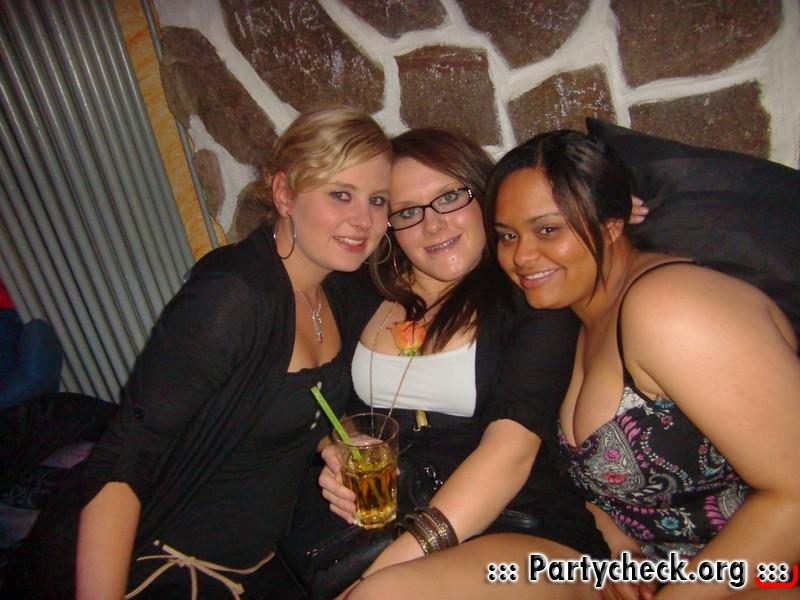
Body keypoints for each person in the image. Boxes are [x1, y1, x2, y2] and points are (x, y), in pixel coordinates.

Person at [3, 104, 392, 599]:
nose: (363, 220)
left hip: (261, 563)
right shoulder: (231, 298)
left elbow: (308, 401)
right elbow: (122, 459)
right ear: (284, 194)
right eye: (341, 194)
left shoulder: (334, 287)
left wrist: (338, 442)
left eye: (377, 200)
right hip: (165, 565)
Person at [486, 130, 800, 599]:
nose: (521, 256)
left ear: (612, 224)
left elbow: (794, 495)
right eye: (507, 235)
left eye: (547, 230)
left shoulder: (670, 307)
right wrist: (613, 539)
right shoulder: (575, 315)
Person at [308, 127, 615, 600]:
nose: (433, 225)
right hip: (389, 521)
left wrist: (385, 570)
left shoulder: (530, 296)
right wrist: (336, 445)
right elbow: (315, 397)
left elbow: (510, 455)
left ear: (484, 198)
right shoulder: (356, 292)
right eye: (408, 211)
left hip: (525, 527)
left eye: (450, 197)